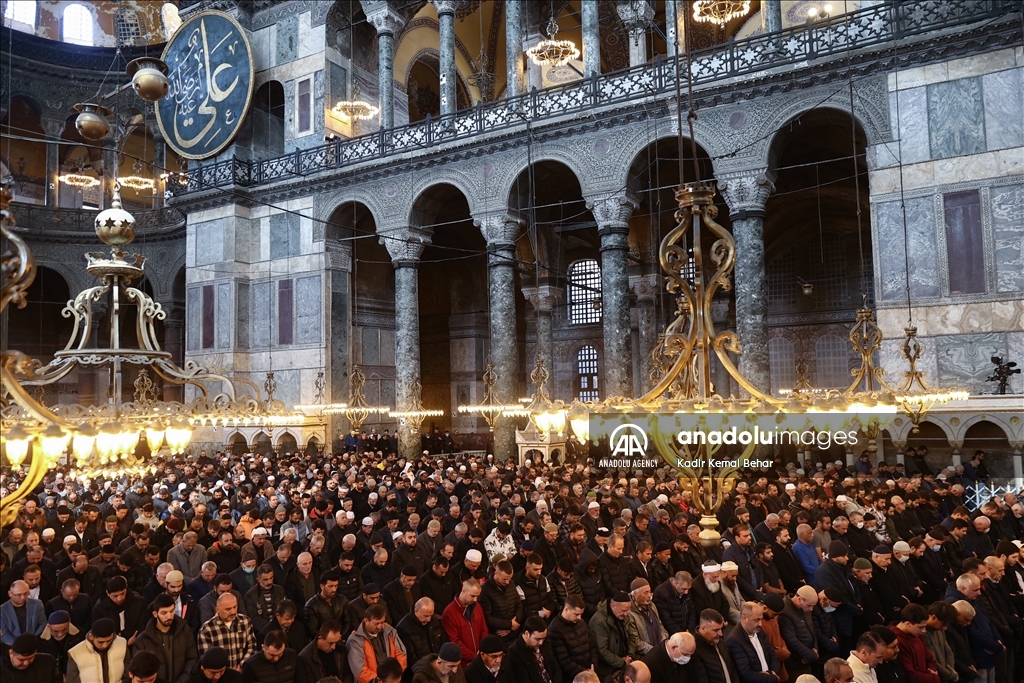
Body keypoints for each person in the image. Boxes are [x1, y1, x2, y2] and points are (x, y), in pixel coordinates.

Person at [133, 593, 198, 683]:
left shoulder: (185, 631)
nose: (169, 616)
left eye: (171, 611)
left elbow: (192, 659)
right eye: (164, 613)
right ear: (155, 614)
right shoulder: (143, 640)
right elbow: (141, 669)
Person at [346, 603, 408, 683]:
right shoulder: (355, 641)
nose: (380, 626)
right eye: (376, 623)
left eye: (382, 622)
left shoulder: (390, 631)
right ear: (366, 621)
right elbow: (360, 670)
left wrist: (394, 676)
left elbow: (402, 655)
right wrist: (379, 681)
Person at [197, 592, 257, 671]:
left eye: (235, 607)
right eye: (228, 609)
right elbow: (206, 658)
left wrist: (242, 666)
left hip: (243, 673)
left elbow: (252, 647)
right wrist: (225, 672)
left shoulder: (245, 621)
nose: (233, 612)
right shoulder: (207, 629)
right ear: (217, 609)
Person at [725, 601, 781, 683]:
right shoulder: (734, 640)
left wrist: (773, 672)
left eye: (761, 619)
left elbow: (773, 656)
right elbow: (745, 673)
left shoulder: (759, 631)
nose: (760, 624)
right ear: (744, 618)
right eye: (757, 620)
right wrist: (772, 679)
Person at [546, 595, 595, 682]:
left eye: (581, 614)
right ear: (566, 609)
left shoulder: (582, 623)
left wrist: (593, 666)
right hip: (572, 678)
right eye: (576, 614)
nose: (579, 617)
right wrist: (586, 673)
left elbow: (593, 646)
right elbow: (564, 661)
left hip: (590, 672)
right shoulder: (555, 629)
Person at [67, 617, 131, 683]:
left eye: (109, 640)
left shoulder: (122, 644)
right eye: (101, 642)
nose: (105, 645)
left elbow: (128, 673)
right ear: (91, 636)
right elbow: (72, 680)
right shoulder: (76, 653)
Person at [441, 578, 489, 668]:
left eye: (477, 596)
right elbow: (455, 642)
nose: (475, 599)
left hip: (480, 658)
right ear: (463, 591)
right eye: (473, 596)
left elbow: (484, 630)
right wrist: (474, 657)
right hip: (462, 664)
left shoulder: (477, 607)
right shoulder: (449, 613)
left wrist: (482, 650)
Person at [396, 597, 446, 681]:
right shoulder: (403, 628)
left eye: (431, 615)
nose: (429, 619)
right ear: (416, 611)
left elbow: (443, 642)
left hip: (439, 666)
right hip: (420, 673)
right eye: (425, 616)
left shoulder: (434, 621)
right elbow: (411, 658)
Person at [500, 616, 560, 683]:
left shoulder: (544, 643)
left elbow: (556, 669)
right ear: (527, 634)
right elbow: (523, 680)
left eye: (543, 638)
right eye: (538, 639)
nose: (541, 642)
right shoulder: (514, 652)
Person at [888, 604, 939, 683]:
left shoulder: (917, 635)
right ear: (908, 624)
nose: (924, 631)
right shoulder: (897, 641)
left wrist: (931, 672)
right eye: (920, 627)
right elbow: (911, 675)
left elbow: (930, 659)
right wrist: (933, 677)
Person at [589, 591, 632, 682]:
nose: (626, 614)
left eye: (628, 610)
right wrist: (622, 662)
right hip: (608, 667)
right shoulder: (599, 621)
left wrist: (630, 656)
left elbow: (631, 637)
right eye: (624, 610)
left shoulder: (623, 616)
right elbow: (602, 651)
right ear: (613, 606)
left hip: (625, 661)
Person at [690, 609, 740, 683]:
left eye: (721, 629)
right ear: (704, 628)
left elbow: (732, 669)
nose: (721, 634)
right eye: (716, 630)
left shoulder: (721, 643)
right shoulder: (694, 650)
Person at [779, 586, 818, 679]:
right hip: (795, 662)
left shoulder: (805, 608)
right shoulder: (785, 611)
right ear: (800, 599)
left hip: (807, 659)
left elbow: (812, 630)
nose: (811, 609)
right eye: (809, 605)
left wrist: (815, 648)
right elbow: (791, 639)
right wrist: (810, 655)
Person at [624, 578, 666, 658]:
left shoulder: (652, 606)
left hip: (659, 650)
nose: (649, 596)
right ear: (636, 595)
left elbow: (660, 626)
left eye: (650, 592)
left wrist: (663, 645)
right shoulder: (629, 612)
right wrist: (655, 651)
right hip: (644, 656)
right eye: (645, 593)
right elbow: (635, 641)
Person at [37, 609, 82, 676]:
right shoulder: (40, 642)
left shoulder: (80, 637)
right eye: (55, 631)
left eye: (64, 629)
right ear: (49, 627)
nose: (60, 634)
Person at [1, 579, 46, 644]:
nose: (23, 597)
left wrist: (33, 639)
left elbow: (42, 624)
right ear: (10, 594)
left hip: (34, 643)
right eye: (19, 595)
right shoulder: (2, 610)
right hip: (12, 646)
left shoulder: (37, 604)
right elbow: (4, 633)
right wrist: (19, 645)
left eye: (26, 593)